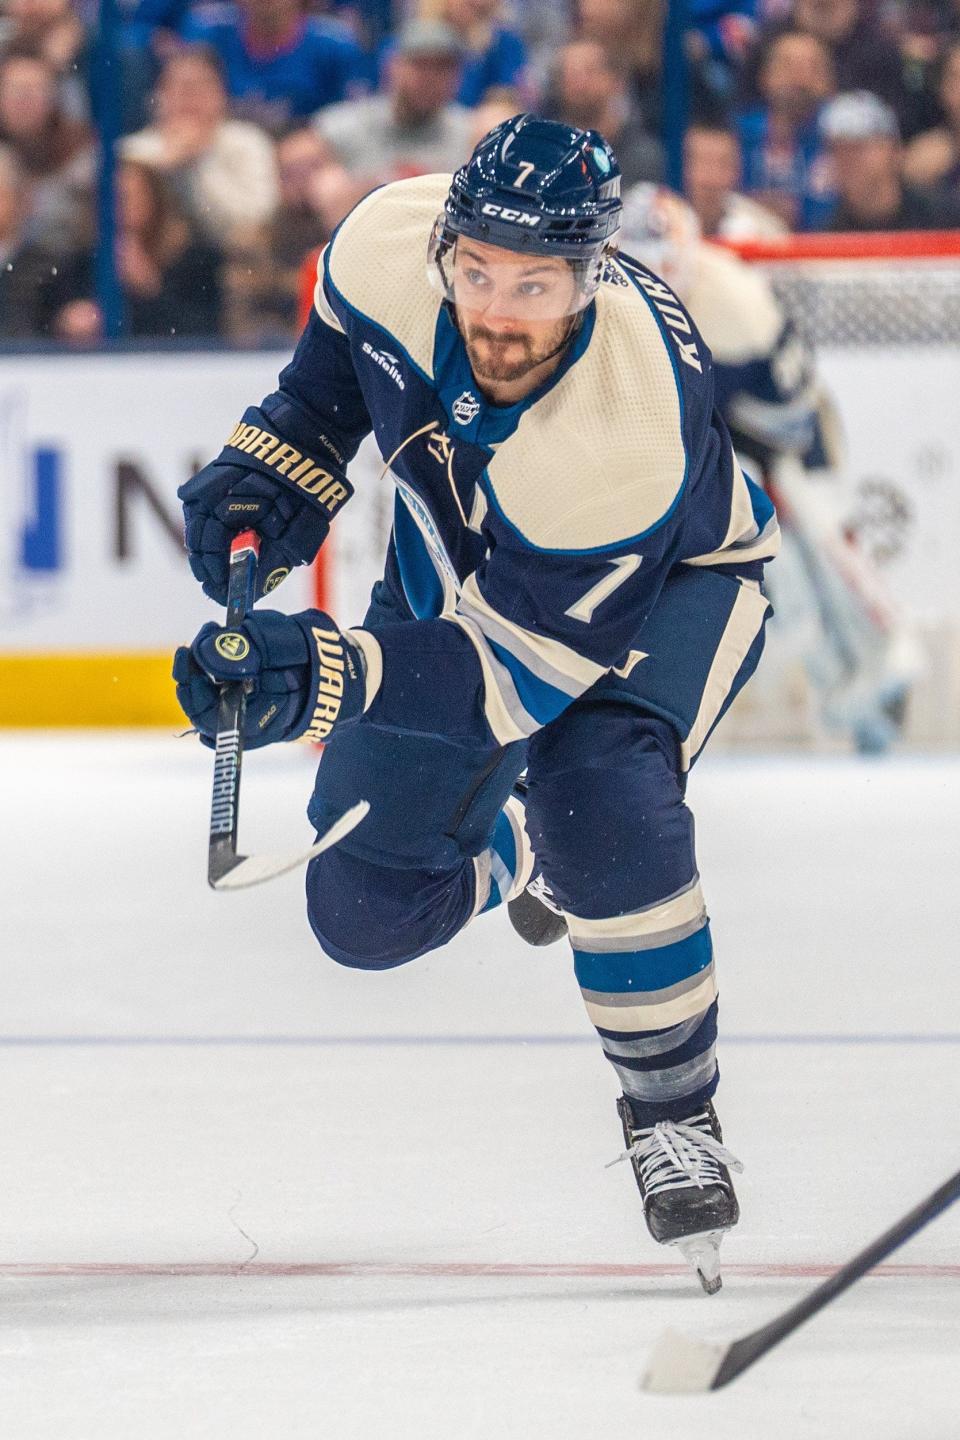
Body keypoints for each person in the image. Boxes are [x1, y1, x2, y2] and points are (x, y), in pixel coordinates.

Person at [172, 115, 780, 1292]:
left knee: (596, 785)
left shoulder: (625, 426)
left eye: (537, 284)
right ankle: (509, 848)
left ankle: (672, 1114)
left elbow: (512, 683)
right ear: (445, 242)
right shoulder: (388, 239)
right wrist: (275, 472)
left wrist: (322, 678)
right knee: (364, 916)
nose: (499, 310)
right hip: (458, 573)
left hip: (667, 594)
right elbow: (328, 385)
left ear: (591, 277)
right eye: (479, 271)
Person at [619, 182, 919, 752]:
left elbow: (795, 411)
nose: (653, 284)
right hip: (715, 440)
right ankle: (828, 674)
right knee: (768, 569)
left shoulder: (736, 301)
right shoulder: (614, 303)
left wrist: (758, 460)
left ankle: (883, 651)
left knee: (822, 531)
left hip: (778, 435)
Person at [121, 46, 279, 251]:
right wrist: (165, 164)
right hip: (154, 268)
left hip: (228, 264)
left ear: (222, 94)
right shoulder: (132, 151)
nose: (189, 96)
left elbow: (253, 223)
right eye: (179, 86)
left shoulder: (248, 143)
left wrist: (198, 161)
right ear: (159, 95)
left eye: (201, 86)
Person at [47, 158, 224, 341]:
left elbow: (206, 333)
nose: (117, 209)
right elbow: (43, 327)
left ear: (154, 200)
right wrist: (67, 321)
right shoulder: (81, 266)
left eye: (127, 198)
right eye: (108, 199)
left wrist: (150, 289)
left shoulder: (196, 262)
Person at [314, 19, 473, 184]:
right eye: (421, 65)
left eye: (442, 68)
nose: (431, 78)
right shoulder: (344, 126)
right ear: (392, 66)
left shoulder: (470, 132)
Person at [182, 0, 369, 133]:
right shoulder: (206, 31)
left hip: (302, 164)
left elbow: (350, 123)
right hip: (218, 150)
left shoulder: (334, 46)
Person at [736, 29, 838, 230]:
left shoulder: (842, 140)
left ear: (830, 81)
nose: (800, 78)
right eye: (787, 65)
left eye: (812, 68)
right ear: (765, 76)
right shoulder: (735, 135)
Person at [822, 88, 960, 228]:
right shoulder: (830, 237)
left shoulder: (943, 219)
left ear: (895, 151)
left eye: (859, 148)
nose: (849, 160)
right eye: (837, 151)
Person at [547, 39, 664, 187]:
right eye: (569, 74)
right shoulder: (547, 151)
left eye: (589, 72)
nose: (579, 83)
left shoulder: (644, 157)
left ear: (617, 81)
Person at [683, 120, 788, 240]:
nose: (711, 179)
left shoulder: (765, 231)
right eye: (701, 162)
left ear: (737, 170)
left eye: (723, 164)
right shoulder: (661, 224)